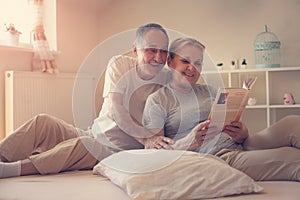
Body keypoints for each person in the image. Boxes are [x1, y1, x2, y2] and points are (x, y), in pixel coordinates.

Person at [0, 23, 170, 178]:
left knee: (85, 145)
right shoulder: (120, 64)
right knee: (42, 122)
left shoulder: (168, 81)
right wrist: (146, 139)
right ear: (135, 50)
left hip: (115, 152)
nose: (158, 57)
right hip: (93, 133)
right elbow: (116, 109)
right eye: (151, 50)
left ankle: (10, 170)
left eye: (163, 51)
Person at [142, 37, 300, 181]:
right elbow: (155, 154)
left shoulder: (209, 91)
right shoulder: (158, 100)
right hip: (217, 157)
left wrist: (242, 133)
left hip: (242, 144)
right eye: (185, 61)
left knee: (293, 123)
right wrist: (188, 142)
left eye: (198, 63)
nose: (192, 68)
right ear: (170, 62)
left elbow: (233, 124)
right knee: (292, 157)